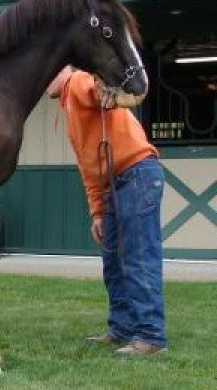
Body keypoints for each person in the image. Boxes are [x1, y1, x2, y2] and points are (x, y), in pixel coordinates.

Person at [47, 65, 167, 355]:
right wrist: (97, 213)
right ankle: (121, 329)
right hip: (115, 184)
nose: (42, 82)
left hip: (135, 173)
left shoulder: (76, 82)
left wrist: (105, 90)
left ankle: (151, 337)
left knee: (138, 257)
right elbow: (89, 169)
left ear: (62, 70)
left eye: (46, 74)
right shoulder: (69, 108)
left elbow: (93, 86)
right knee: (114, 262)